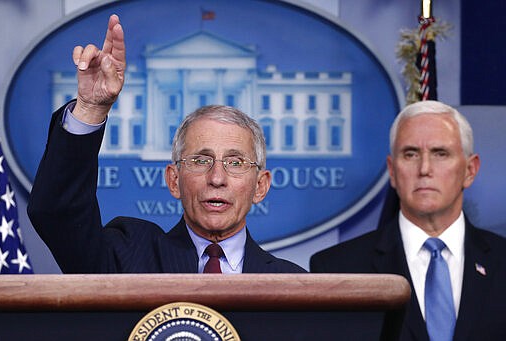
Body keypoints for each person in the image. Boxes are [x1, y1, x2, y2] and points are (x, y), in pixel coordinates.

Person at [27, 14, 305, 274]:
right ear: (174, 180)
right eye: (200, 161)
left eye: (235, 163)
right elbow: (57, 214)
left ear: (260, 186)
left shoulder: (296, 285)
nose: (217, 178)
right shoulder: (128, 257)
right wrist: (90, 108)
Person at [310, 100, 506, 340]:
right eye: (411, 154)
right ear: (392, 171)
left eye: (440, 153)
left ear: (470, 170)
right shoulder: (337, 270)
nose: (424, 168)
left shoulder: (501, 260)